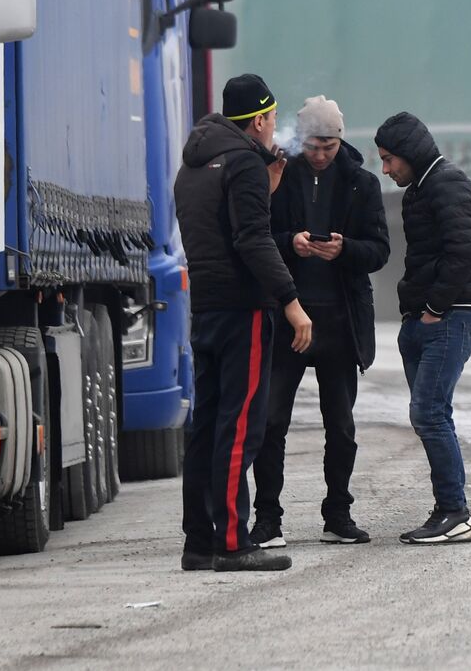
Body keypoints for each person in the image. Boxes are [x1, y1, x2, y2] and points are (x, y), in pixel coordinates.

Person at [173, 73, 313, 573]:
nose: (275, 129)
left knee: (207, 425)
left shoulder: (193, 167)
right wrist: (291, 302)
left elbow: (219, 228)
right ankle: (233, 542)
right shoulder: (245, 164)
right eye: (273, 120)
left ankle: (200, 541)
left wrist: (267, 187)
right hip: (244, 311)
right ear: (258, 120)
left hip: (207, 308)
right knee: (241, 427)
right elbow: (252, 239)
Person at [251, 96, 390, 548]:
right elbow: (256, 237)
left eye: (329, 145)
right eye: (312, 144)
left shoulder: (362, 184)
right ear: (300, 139)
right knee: (272, 423)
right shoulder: (279, 176)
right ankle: (267, 519)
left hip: (339, 319)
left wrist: (345, 249)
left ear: (340, 140)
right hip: (289, 317)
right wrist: (291, 243)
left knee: (341, 426)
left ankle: (339, 515)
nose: (320, 154)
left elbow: (380, 251)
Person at [374, 112, 471, 545]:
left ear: (410, 153)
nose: (386, 169)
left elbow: (465, 251)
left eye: (389, 160)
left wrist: (436, 309)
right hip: (426, 318)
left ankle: (456, 512)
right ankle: (448, 508)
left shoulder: (448, 183)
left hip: (451, 316)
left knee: (429, 413)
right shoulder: (421, 188)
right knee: (432, 415)